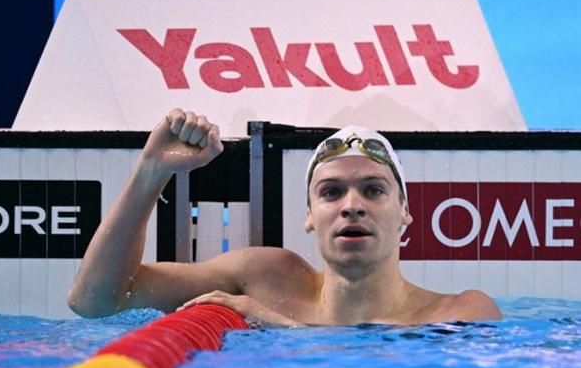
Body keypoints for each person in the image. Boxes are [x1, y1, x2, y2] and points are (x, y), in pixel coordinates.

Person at [67, 108, 503, 326]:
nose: (351, 205)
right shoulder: (264, 277)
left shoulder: (460, 312)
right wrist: (151, 172)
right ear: (310, 216)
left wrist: (276, 326)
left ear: (405, 212)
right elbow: (96, 301)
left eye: (373, 190)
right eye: (331, 193)